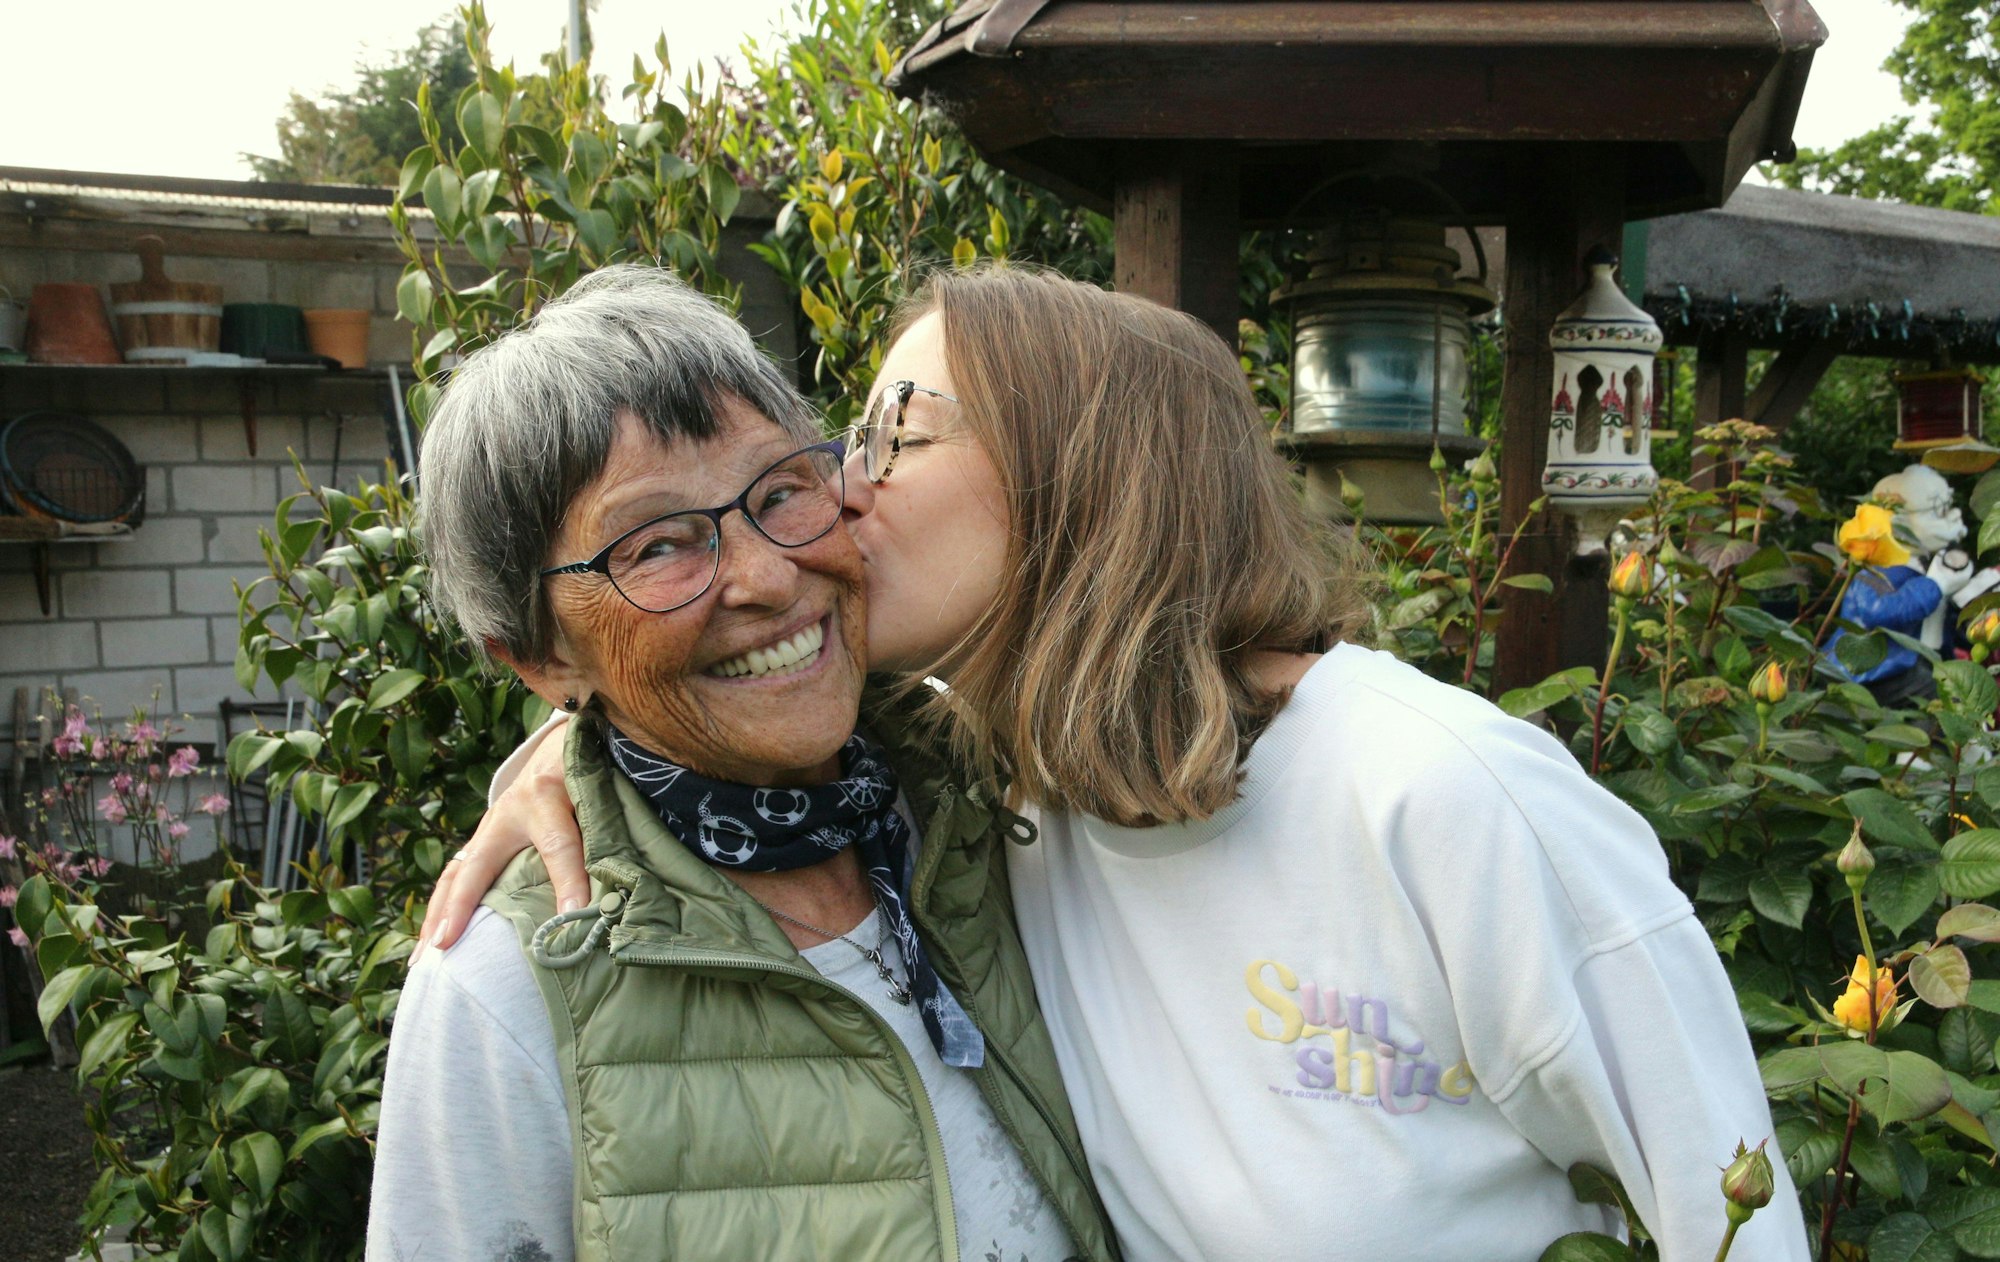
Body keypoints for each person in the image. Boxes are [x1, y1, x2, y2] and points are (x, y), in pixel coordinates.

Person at [429, 265, 1811, 1261]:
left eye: (891, 439)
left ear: (1075, 477)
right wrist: (586, 733)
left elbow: (1732, 1220)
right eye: (840, 447)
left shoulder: (1438, 795)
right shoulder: (1003, 804)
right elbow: (678, 669)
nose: (833, 507)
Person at [366, 266, 1116, 1262]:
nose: (765, 577)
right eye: (659, 545)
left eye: (781, 490)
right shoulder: (510, 984)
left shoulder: (993, 800)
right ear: (540, 657)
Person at [1827, 462, 1979, 705]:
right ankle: (1937, 743)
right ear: (1899, 520)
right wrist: (1935, 586)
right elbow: (1877, 611)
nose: (1953, 517)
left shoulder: (1930, 563)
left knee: (1959, 691)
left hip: (1921, 662)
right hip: (1875, 671)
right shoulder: (1875, 568)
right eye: (1938, 511)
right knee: (1945, 698)